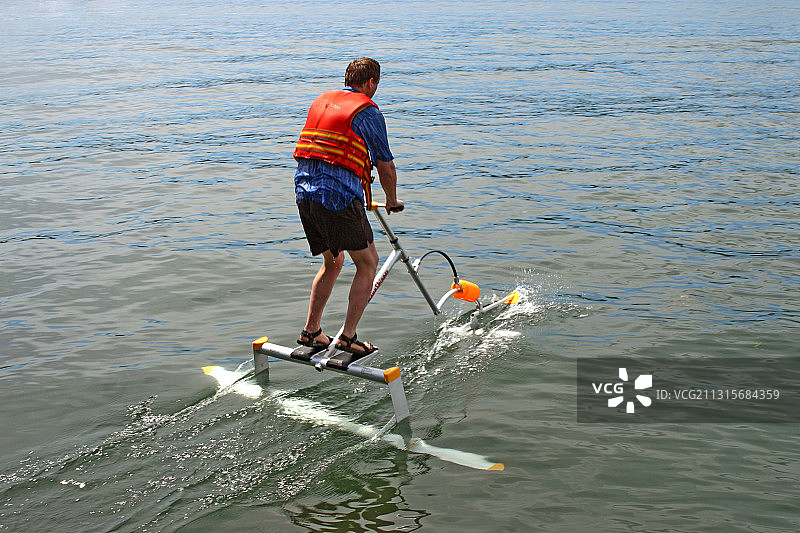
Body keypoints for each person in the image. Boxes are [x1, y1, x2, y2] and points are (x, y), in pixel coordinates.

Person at [293, 57, 404, 356]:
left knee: (333, 261)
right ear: (371, 82)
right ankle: (348, 337)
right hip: (337, 198)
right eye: (376, 84)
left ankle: (311, 332)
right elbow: (385, 164)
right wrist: (392, 200)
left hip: (304, 194)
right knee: (368, 263)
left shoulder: (322, 101)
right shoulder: (367, 111)